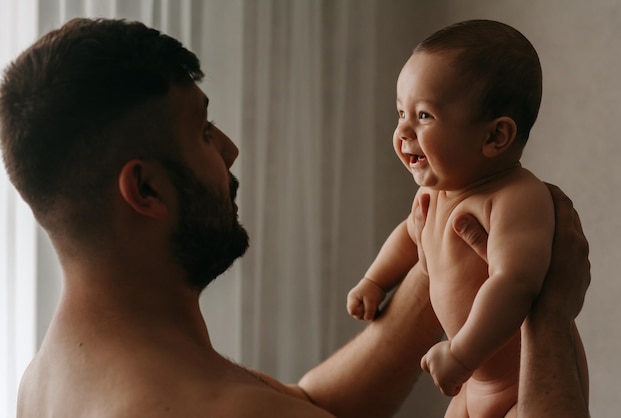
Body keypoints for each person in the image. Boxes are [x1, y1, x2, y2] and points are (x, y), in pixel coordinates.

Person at [0, 18, 590, 418]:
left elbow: (309, 404)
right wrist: (551, 315)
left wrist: (441, 260)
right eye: (204, 131)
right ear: (146, 188)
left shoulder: (47, 381)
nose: (230, 150)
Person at [346, 20, 588, 417]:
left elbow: (515, 282)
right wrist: (376, 280)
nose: (403, 130)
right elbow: (409, 237)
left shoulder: (515, 198)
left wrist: (460, 355)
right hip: (474, 383)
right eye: (400, 112)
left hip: (522, 382)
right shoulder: (436, 194)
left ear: (496, 137)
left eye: (424, 116)